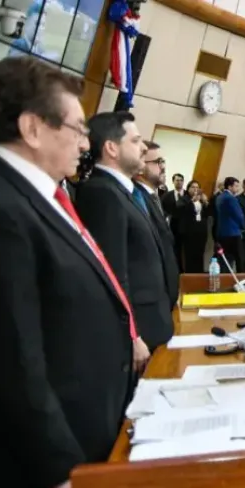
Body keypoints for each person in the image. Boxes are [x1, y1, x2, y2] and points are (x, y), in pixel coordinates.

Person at [0, 55, 137, 488]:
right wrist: (58, 464)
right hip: (44, 476)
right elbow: (9, 353)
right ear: (32, 127)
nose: (85, 144)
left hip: (83, 442)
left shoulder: (37, 197)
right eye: (78, 129)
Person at [77, 112, 175, 354]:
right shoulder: (102, 193)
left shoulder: (124, 192)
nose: (143, 148)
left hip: (154, 323)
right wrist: (131, 336)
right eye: (135, 141)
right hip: (137, 336)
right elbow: (111, 273)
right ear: (111, 148)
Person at [133, 141, 179, 312]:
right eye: (158, 162)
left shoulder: (154, 196)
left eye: (163, 162)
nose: (163, 167)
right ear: (140, 166)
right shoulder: (136, 197)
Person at [178, 180, 209, 273]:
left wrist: (206, 202)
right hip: (189, 231)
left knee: (200, 253)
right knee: (190, 254)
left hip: (201, 230)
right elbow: (180, 209)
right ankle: (190, 273)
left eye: (197, 187)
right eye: (193, 187)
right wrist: (192, 201)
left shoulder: (201, 199)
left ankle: (199, 272)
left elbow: (208, 214)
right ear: (188, 189)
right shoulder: (184, 199)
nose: (195, 189)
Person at [215, 177, 245, 270]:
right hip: (233, 232)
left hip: (222, 232)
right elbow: (239, 215)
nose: (238, 189)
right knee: (240, 259)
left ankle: (225, 279)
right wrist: (243, 227)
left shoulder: (219, 197)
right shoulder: (231, 198)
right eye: (236, 186)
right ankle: (242, 279)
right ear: (229, 187)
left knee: (225, 259)